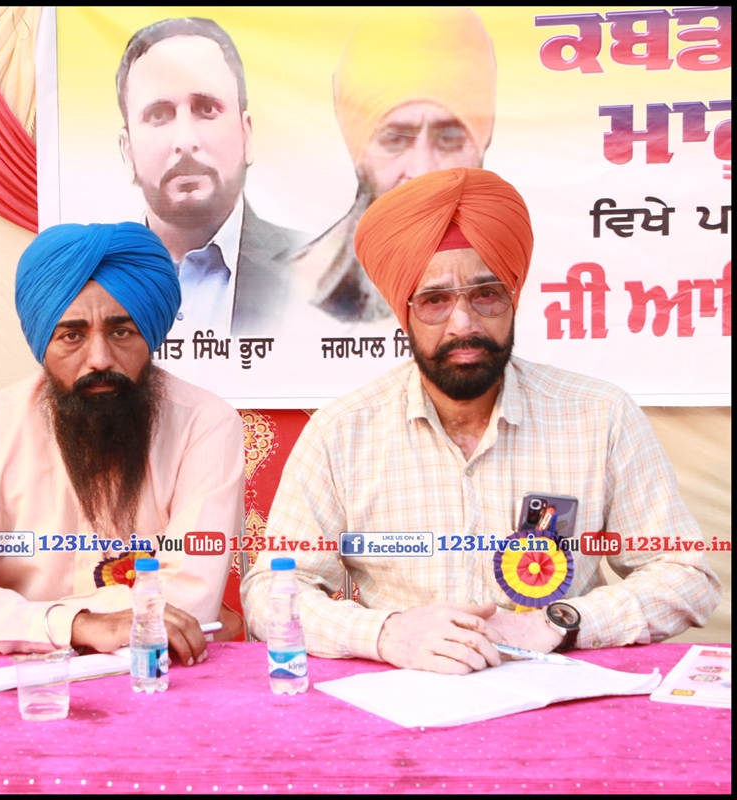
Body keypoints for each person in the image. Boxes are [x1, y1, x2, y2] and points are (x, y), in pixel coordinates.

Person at [242, 168, 721, 674]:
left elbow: (685, 574)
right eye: (435, 300)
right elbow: (272, 591)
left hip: (558, 695)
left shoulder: (600, 414)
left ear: (513, 297)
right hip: (405, 692)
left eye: (486, 293)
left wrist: (559, 622)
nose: (463, 323)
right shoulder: (341, 432)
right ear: (404, 313)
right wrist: (387, 633)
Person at [0, 222, 244, 662]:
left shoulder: (205, 424)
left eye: (121, 332)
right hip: (24, 677)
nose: (100, 359)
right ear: (43, 343)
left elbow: (186, 602)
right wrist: (78, 625)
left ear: (151, 336)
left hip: (154, 675)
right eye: (72, 335)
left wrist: (14, 620)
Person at [291, 8, 496, 323]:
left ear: (484, 139)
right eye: (396, 140)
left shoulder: (538, 296)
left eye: (449, 139)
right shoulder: (286, 295)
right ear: (358, 150)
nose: (423, 172)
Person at [116, 17, 307, 337]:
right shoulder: (94, 283)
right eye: (158, 115)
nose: (185, 141)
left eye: (206, 109)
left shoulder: (320, 276)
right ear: (128, 151)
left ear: (246, 136)